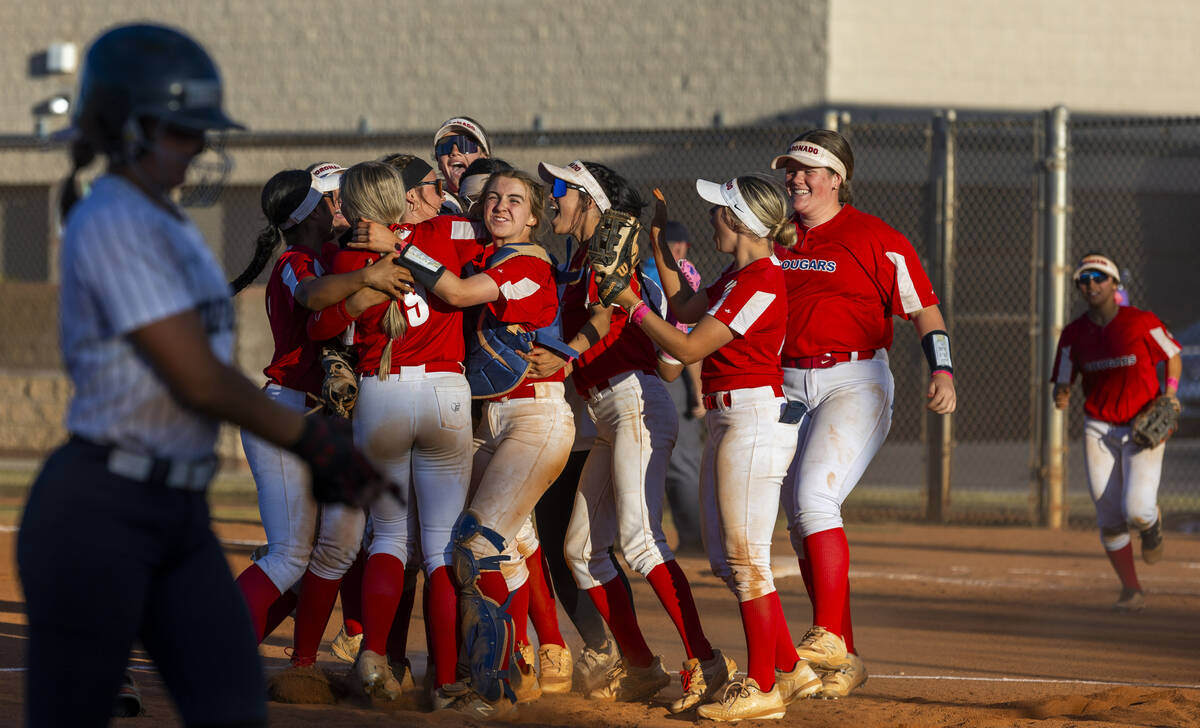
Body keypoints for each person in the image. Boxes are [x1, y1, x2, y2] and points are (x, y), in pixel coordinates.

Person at [17, 23, 386, 727]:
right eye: (181, 131)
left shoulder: (173, 224)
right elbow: (195, 376)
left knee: (231, 701)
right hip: (99, 510)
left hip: (176, 512)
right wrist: (311, 440)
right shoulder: (115, 220)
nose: (198, 148)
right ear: (127, 128)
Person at [609, 177, 818, 720]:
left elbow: (686, 344)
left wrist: (632, 305)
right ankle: (792, 669)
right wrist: (656, 246)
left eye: (720, 211)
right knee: (728, 562)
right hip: (730, 418)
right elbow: (682, 304)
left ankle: (764, 688)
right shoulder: (739, 275)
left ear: (743, 222)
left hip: (752, 418)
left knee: (747, 562)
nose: (712, 220)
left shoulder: (762, 281)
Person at [769, 130, 956, 699]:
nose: (796, 178)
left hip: (855, 379)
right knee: (799, 520)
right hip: (786, 384)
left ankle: (827, 634)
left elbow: (924, 309)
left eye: (809, 169)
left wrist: (941, 369)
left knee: (815, 500)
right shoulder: (775, 238)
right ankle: (841, 656)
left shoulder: (876, 237)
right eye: (791, 169)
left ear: (837, 178)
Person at [533, 160, 723, 709]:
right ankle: (640, 666)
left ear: (591, 201)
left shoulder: (609, 261)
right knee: (582, 550)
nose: (553, 200)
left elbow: (604, 317)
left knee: (641, 542)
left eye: (562, 191)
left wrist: (565, 357)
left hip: (633, 402)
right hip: (607, 409)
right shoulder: (581, 261)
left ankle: (707, 662)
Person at [226, 169, 409, 697]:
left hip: (319, 424)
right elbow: (310, 297)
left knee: (322, 550)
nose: (336, 211)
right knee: (288, 555)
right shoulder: (295, 262)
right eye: (325, 205)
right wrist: (367, 280)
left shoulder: (327, 256)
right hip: (285, 415)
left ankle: (277, 658)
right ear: (304, 217)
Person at [307, 161, 483, 703]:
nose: (437, 195)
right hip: (444, 394)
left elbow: (318, 320)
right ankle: (447, 680)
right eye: (428, 189)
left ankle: (375, 661)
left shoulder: (345, 255)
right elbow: (487, 239)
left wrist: (381, 246)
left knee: (387, 537)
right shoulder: (444, 231)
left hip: (379, 390)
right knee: (438, 548)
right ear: (404, 197)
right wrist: (407, 237)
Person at [413, 169, 576, 712]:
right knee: (497, 552)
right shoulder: (488, 255)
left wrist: (403, 250)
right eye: (492, 199)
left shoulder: (527, 260)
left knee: (477, 544)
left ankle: (490, 686)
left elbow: (456, 293)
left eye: (515, 201)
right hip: (492, 419)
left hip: (536, 417)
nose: (500, 206)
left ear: (534, 217)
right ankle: (517, 665)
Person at [1052, 252, 1181, 611]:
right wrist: (1061, 393)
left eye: (1099, 277)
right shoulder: (1073, 334)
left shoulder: (1141, 322)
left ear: (1114, 284)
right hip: (1099, 428)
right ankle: (1132, 589)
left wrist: (1170, 393)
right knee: (1109, 517)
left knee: (1137, 510)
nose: (1091, 284)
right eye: (1084, 279)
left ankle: (1151, 524)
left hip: (1143, 426)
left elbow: (1172, 354)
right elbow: (1063, 380)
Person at [641, 220, 706, 553]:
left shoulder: (641, 269)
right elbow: (687, 336)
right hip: (667, 369)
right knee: (682, 460)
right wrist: (697, 390)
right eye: (674, 245)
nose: (679, 252)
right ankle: (692, 538)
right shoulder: (679, 273)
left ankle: (639, 535)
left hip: (644, 369)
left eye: (682, 246)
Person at [432, 116, 491, 212]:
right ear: (438, 160)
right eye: (445, 146)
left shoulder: (502, 201)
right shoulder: (430, 207)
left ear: (484, 157)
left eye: (466, 145)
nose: (454, 152)